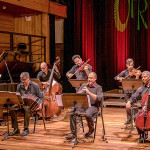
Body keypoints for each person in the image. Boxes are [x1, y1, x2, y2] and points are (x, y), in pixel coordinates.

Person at [65, 72, 103, 140]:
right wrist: (79, 93)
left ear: (95, 79)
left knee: (87, 114)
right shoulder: (84, 86)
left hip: (93, 106)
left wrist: (88, 92)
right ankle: (73, 133)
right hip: (83, 105)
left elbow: (99, 99)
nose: (89, 79)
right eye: (88, 78)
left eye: (91, 78)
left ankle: (91, 129)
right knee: (72, 112)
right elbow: (78, 96)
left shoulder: (98, 87)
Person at [10, 72, 44, 136]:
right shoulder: (19, 86)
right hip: (22, 105)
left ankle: (26, 129)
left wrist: (40, 105)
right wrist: (17, 102)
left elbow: (41, 97)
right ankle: (16, 129)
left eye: (24, 80)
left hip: (33, 106)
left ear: (28, 78)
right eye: (21, 80)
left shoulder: (35, 85)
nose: (23, 81)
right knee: (12, 109)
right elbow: (17, 96)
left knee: (26, 108)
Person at [114, 58, 141, 125]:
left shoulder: (136, 71)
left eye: (132, 65)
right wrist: (121, 78)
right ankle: (129, 119)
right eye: (130, 65)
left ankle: (136, 120)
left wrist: (137, 76)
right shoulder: (124, 72)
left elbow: (138, 81)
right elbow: (116, 77)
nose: (131, 66)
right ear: (126, 65)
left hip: (134, 91)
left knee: (134, 106)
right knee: (127, 106)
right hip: (126, 91)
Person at [126, 71, 150, 143]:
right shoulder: (141, 89)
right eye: (142, 77)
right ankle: (142, 135)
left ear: (149, 77)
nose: (143, 78)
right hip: (144, 111)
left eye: (145, 77)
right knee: (136, 116)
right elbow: (134, 97)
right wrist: (129, 102)